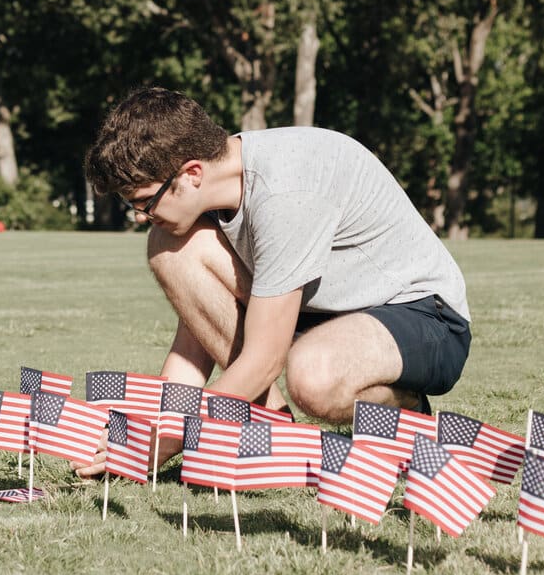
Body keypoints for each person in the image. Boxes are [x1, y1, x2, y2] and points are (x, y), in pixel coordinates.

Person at [78, 87, 470, 473]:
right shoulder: (217, 191)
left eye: (146, 202)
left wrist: (165, 442)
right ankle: (270, 428)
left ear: (192, 173)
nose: (140, 215)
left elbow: (265, 361)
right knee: (169, 246)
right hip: (319, 310)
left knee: (313, 375)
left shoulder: (287, 192)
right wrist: (149, 430)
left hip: (424, 317)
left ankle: (408, 411)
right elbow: (194, 340)